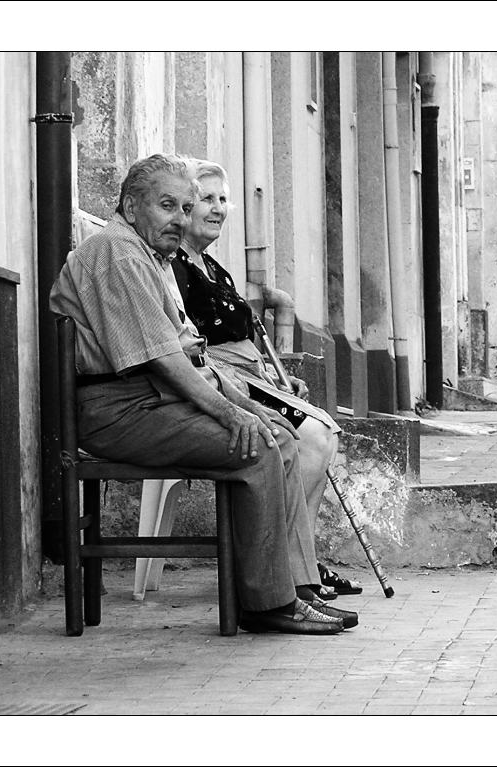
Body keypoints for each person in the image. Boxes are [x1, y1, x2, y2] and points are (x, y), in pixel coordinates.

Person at [49, 153, 357, 634]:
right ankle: (266, 604)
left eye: (185, 208)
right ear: (131, 207)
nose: (179, 218)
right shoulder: (120, 254)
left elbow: (194, 358)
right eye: (167, 205)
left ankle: (294, 590)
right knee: (259, 445)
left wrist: (248, 405)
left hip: (147, 400)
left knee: (279, 434)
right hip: (117, 409)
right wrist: (234, 415)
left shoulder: (150, 257)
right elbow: (166, 361)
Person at [171, 158, 363, 598]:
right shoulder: (175, 268)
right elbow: (191, 346)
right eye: (206, 198)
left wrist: (276, 381)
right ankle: (291, 567)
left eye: (223, 199)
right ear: (184, 206)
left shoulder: (214, 269)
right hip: (220, 382)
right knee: (311, 437)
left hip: (249, 375)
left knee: (323, 434)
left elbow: (244, 339)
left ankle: (300, 560)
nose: (218, 208)